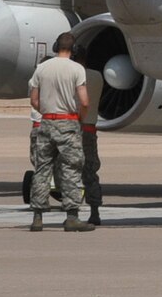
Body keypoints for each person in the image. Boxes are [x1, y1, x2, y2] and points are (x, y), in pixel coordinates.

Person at [26, 33, 93, 232]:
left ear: (56, 47)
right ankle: (72, 216)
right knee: (71, 168)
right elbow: (85, 101)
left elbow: (34, 100)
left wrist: (47, 112)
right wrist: (79, 117)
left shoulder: (42, 68)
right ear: (73, 50)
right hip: (68, 122)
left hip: (46, 122)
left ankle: (37, 217)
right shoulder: (77, 69)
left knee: (42, 169)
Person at [80, 65, 104, 227]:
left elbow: (83, 102)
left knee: (68, 170)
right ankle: (95, 210)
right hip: (90, 128)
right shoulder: (97, 75)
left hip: (74, 125)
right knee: (90, 171)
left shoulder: (74, 74)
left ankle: (71, 211)